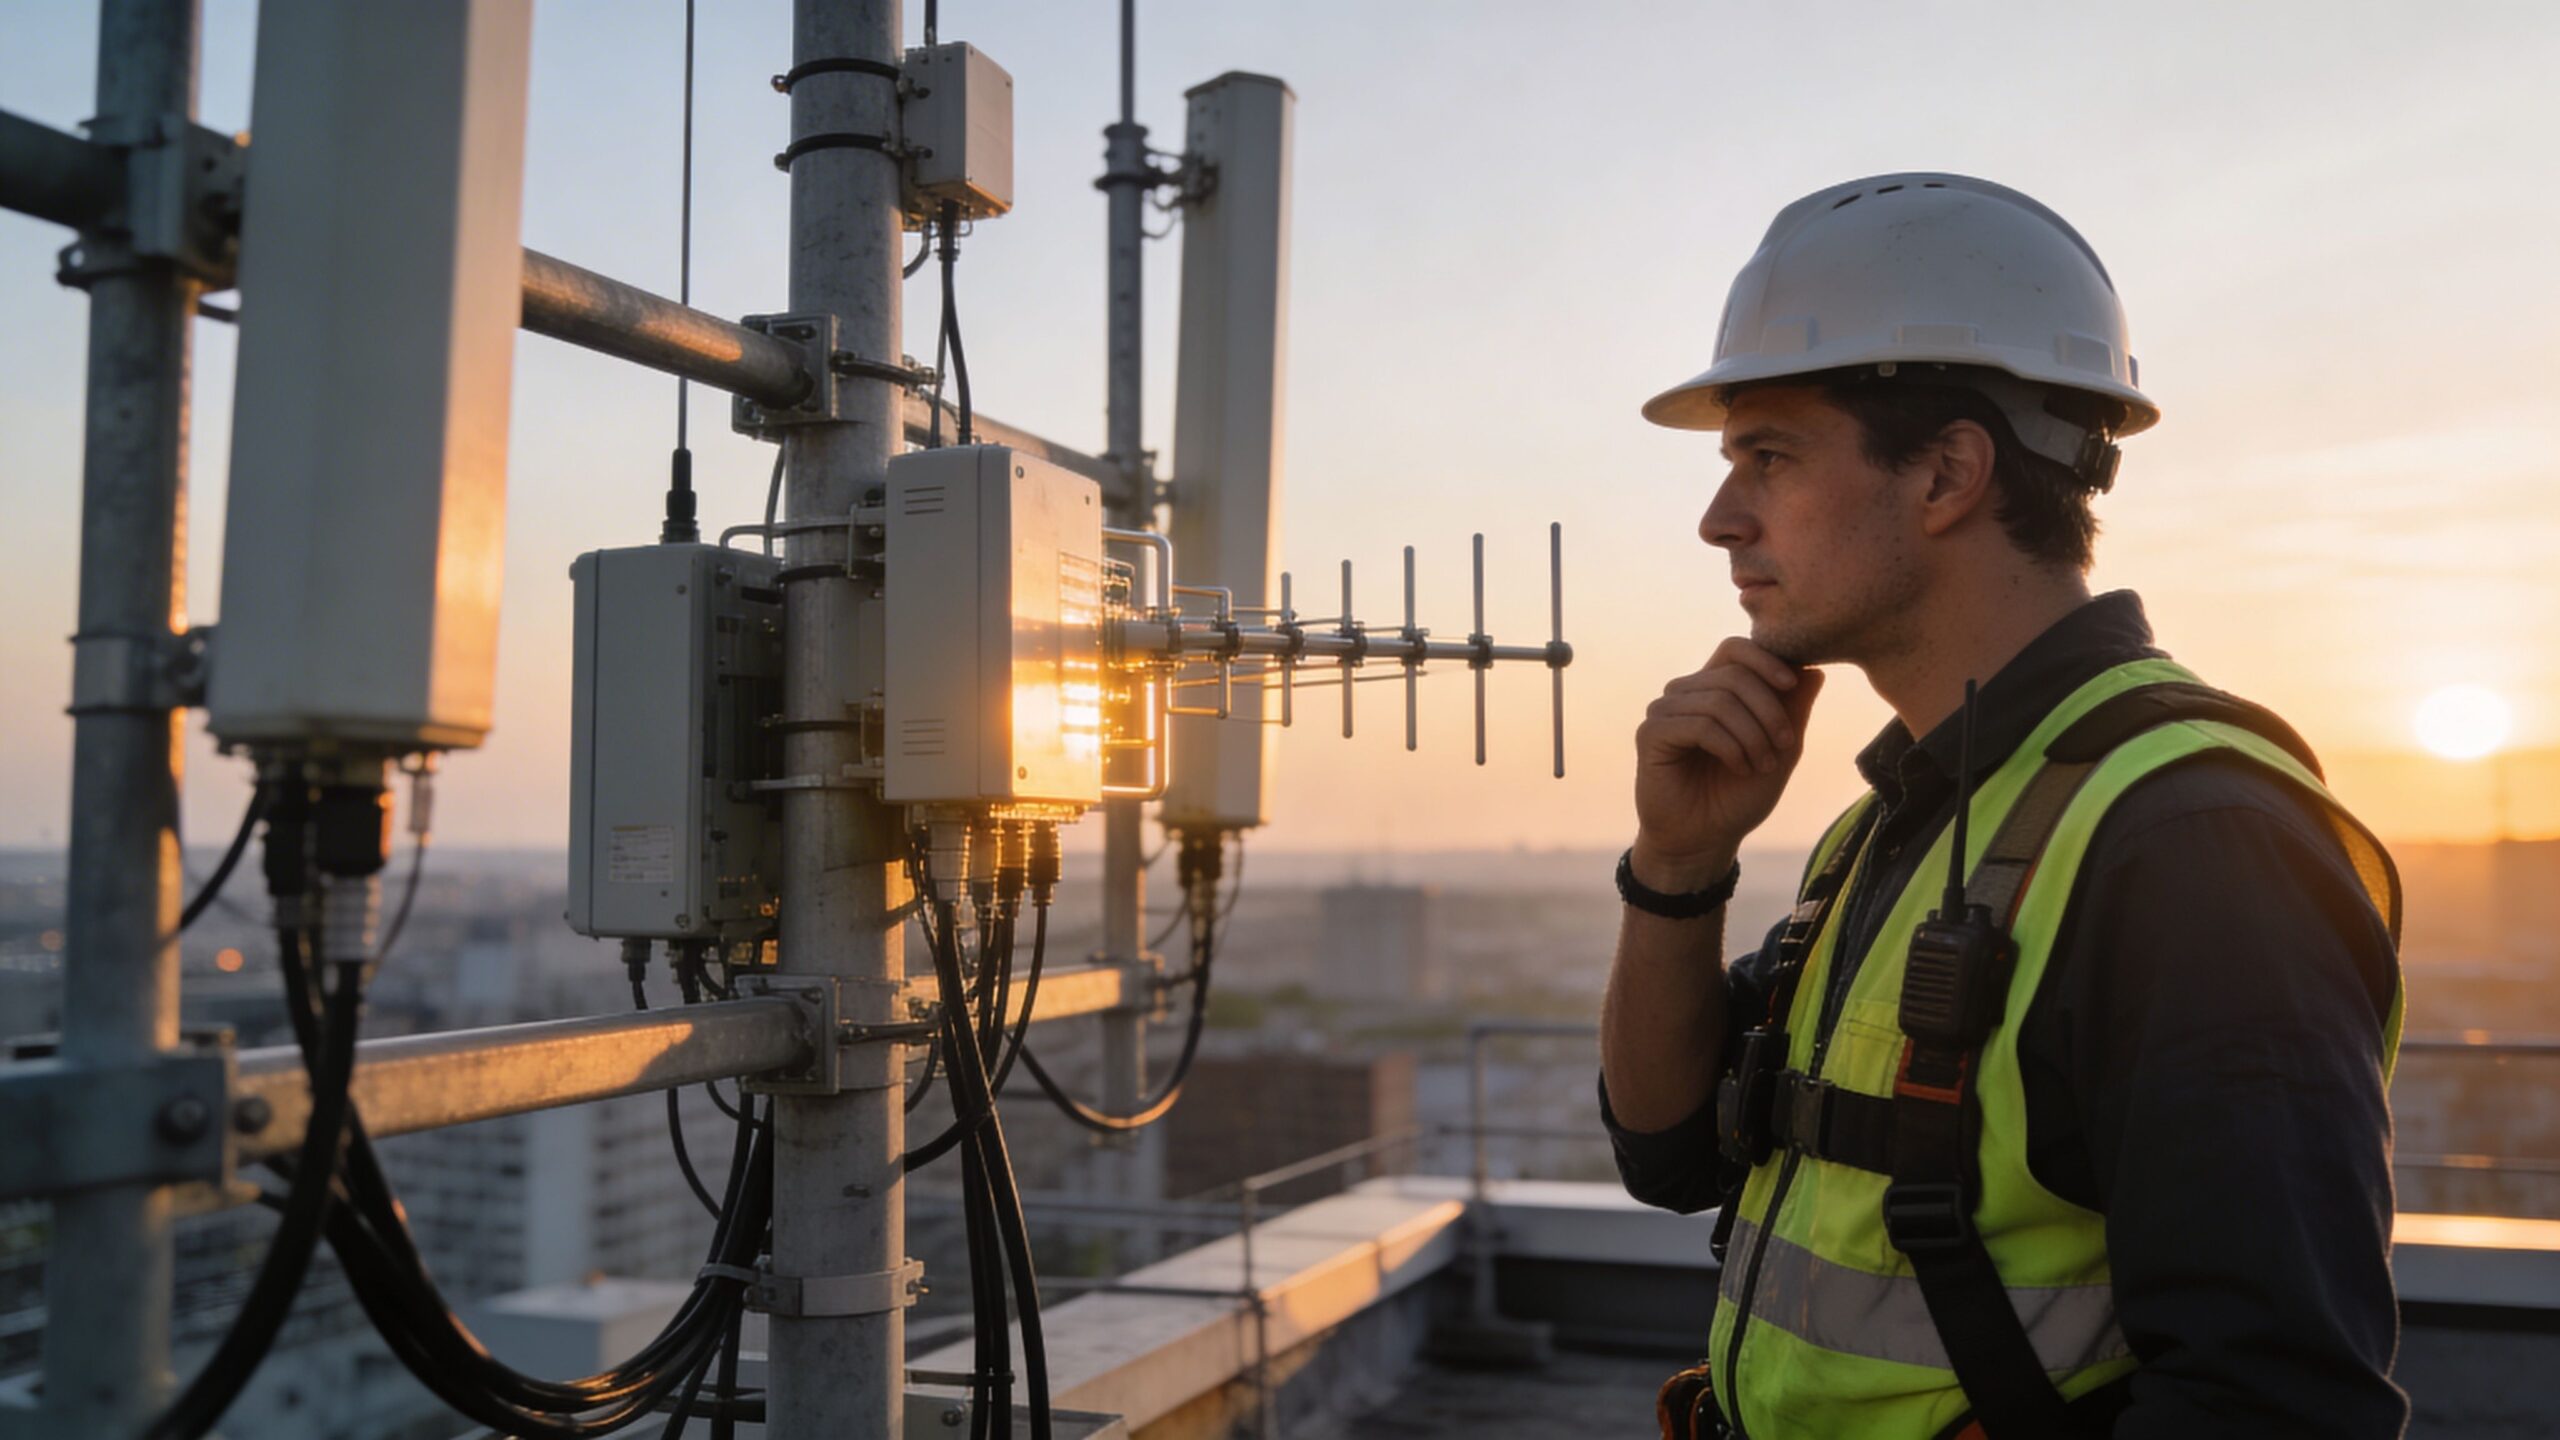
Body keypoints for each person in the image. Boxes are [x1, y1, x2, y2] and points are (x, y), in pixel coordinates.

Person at [1598, 174, 2406, 1440]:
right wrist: (1677, 862)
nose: (1719, 519)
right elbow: (1668, 1156)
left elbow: (2274, 1405)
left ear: (1948, 475)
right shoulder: (1903, 817)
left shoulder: (2196, 844)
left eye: (1769, 455)